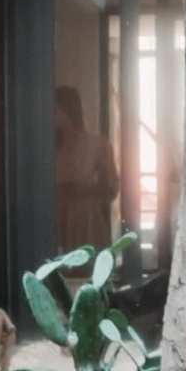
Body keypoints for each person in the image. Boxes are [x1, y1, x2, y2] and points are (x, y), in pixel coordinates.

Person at [53, 83, 115, 250]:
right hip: (55, 219)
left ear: (68, 111)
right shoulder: (47, 147)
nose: (52, 116)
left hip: (85, 222)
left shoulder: (98, 144)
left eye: (55, 110)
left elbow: (111, 188)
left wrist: (81, 189)